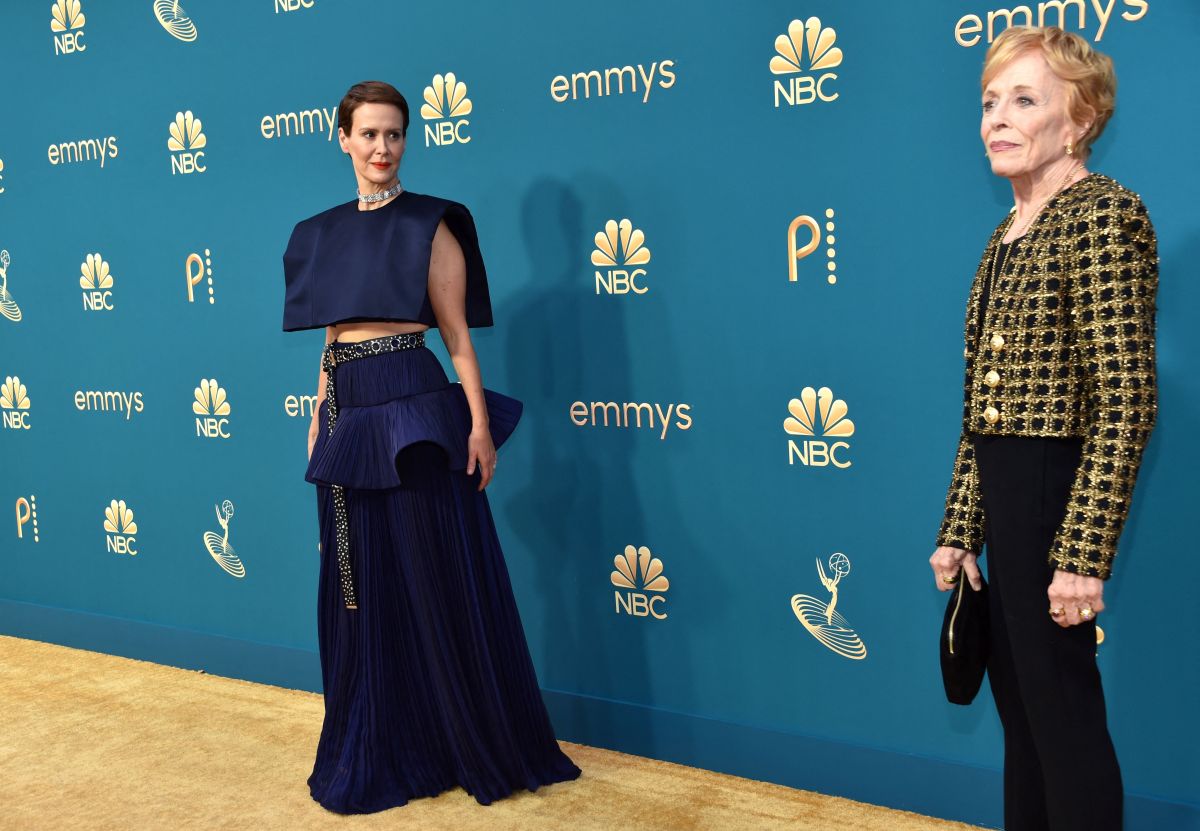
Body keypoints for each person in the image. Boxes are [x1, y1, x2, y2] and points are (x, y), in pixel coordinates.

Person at [282, 80, 580, 814]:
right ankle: (383, 740)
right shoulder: (318, 232)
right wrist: (320, 412)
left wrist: (478, 426)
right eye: (369, 134)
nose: (383, 148)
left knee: (430, 573)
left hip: (413, 405)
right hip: (349, 410)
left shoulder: (431, 224)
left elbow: (458, 340)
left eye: (394, 134)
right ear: (342, 138)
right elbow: (330, 337)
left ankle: (461, 736)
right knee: (359, 586)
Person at [928, 27, 1157, 831]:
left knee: (1062, 720)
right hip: (1007, 495)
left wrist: (1083, 554)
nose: (997, 116)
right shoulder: (1005, 236)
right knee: (1022, 720)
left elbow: (1125, 397)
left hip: (1058, 492)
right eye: (990, 100)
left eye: (1025, 99)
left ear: (1081, 118)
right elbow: (980, 407)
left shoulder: (1103, 215)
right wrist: (961, 529)